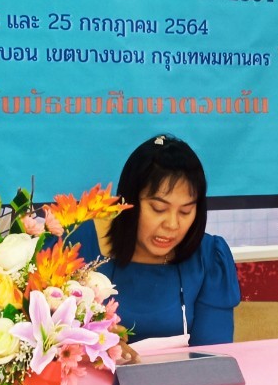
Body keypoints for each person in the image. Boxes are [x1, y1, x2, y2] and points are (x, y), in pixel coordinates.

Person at [72, 134, 240, 346]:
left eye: (185, 211)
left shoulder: (208, 258)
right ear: (129, 201)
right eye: (159, 209)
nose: (172, 225)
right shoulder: (76, 245)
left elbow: (214, 353)